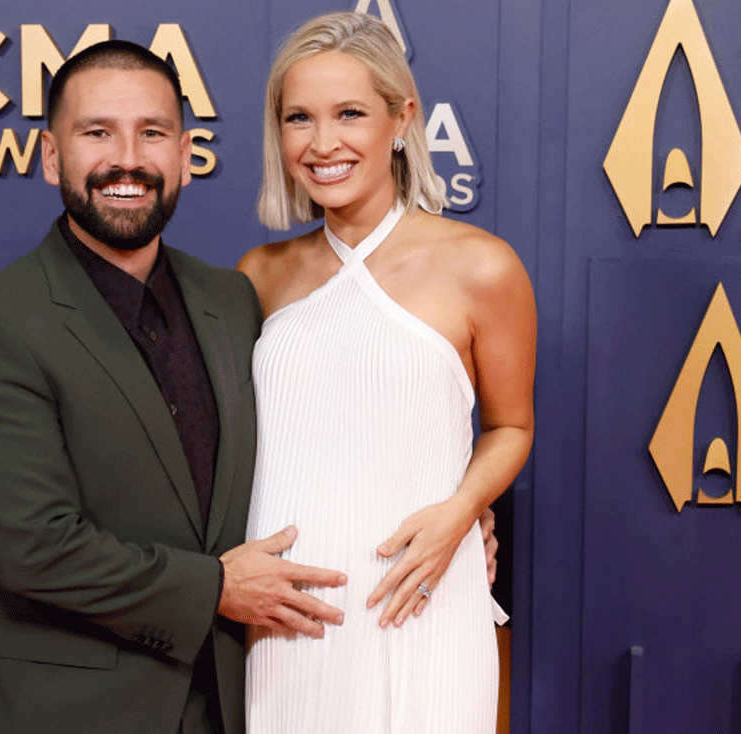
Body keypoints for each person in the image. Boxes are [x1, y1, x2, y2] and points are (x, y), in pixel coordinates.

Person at [0, 40, 350, 734]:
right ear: (50, 157)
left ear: (185, 154)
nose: (127, 159)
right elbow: (35, 547)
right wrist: (217, 589)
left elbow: (306, 446)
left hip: (227, 700)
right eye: (97, 132)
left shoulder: (232, 300)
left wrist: (455, 515)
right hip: (57, 712)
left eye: (151, 133)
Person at [237, 12, 535, 734]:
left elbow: (511, 426)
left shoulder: (482, 265)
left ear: (402, 119)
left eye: (350, 114)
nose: (323, 142)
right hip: (287, 619)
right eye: (299, 118)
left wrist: (462, 511)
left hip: (422, 596)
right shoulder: (259, 275)